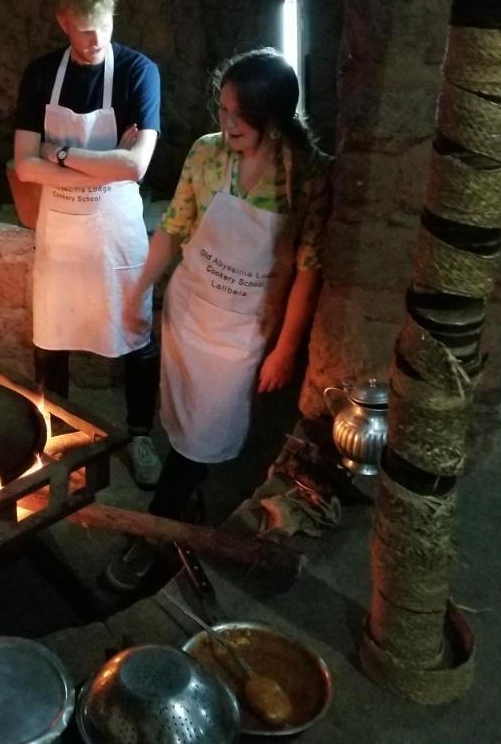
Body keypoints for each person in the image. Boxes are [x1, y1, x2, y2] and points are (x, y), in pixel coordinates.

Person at [101, 47, 332, 592]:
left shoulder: (306, 176)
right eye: (221, 110)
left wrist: (285, 350)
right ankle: (183, 506)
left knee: (204, 430)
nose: (223, 122)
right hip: (190, 311)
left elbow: (308, 269)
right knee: (182, 428)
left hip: (243, 327)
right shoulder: (208, 155)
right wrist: (139, 289)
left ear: (271, 118)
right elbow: (175, 227)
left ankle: (153, 533)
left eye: (236, 114)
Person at [12, 0, 163, 488]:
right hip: (62, 239)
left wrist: (60, 156)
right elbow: (23, 166)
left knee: (137, 334)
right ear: (62, 21)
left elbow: (136, 167)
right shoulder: (39, 76)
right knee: (52, 336)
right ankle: (54, 430)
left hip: (116, 235)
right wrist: (99, 165)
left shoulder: (141, 73)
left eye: (103, 26)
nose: (95, 38)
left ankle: (140, 434)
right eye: (83, 29)